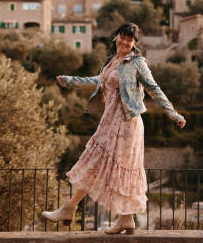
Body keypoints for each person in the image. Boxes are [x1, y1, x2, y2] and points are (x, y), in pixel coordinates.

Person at [41, 23, 185, 234]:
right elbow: (97, 81)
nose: (125, 42)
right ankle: (118, 218)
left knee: (118, 169)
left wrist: (174, 114)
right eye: (123, 37)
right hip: (110, 122)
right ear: (116, 37)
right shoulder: (111, 63)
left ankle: (72, 208)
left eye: (130, 39)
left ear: (134, 43)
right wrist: (70, 81)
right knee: (95, 163)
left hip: (127, 125)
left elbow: (154, 89)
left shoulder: (137, 63)